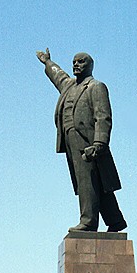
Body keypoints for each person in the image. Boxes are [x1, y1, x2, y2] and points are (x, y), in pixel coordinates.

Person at [36, 48, 127, 233]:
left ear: (90, 66)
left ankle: (88, 221)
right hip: (71, 140)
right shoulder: (70, 86)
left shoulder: (96, 87)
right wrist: (47, 62)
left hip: (88, 141)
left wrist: (100, 142)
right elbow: (58, 77)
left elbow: (103, 116)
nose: (76, 64)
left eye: (81, 61)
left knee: (88, 181)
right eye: (74, 62)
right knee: (97, 182)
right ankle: (115, 220)